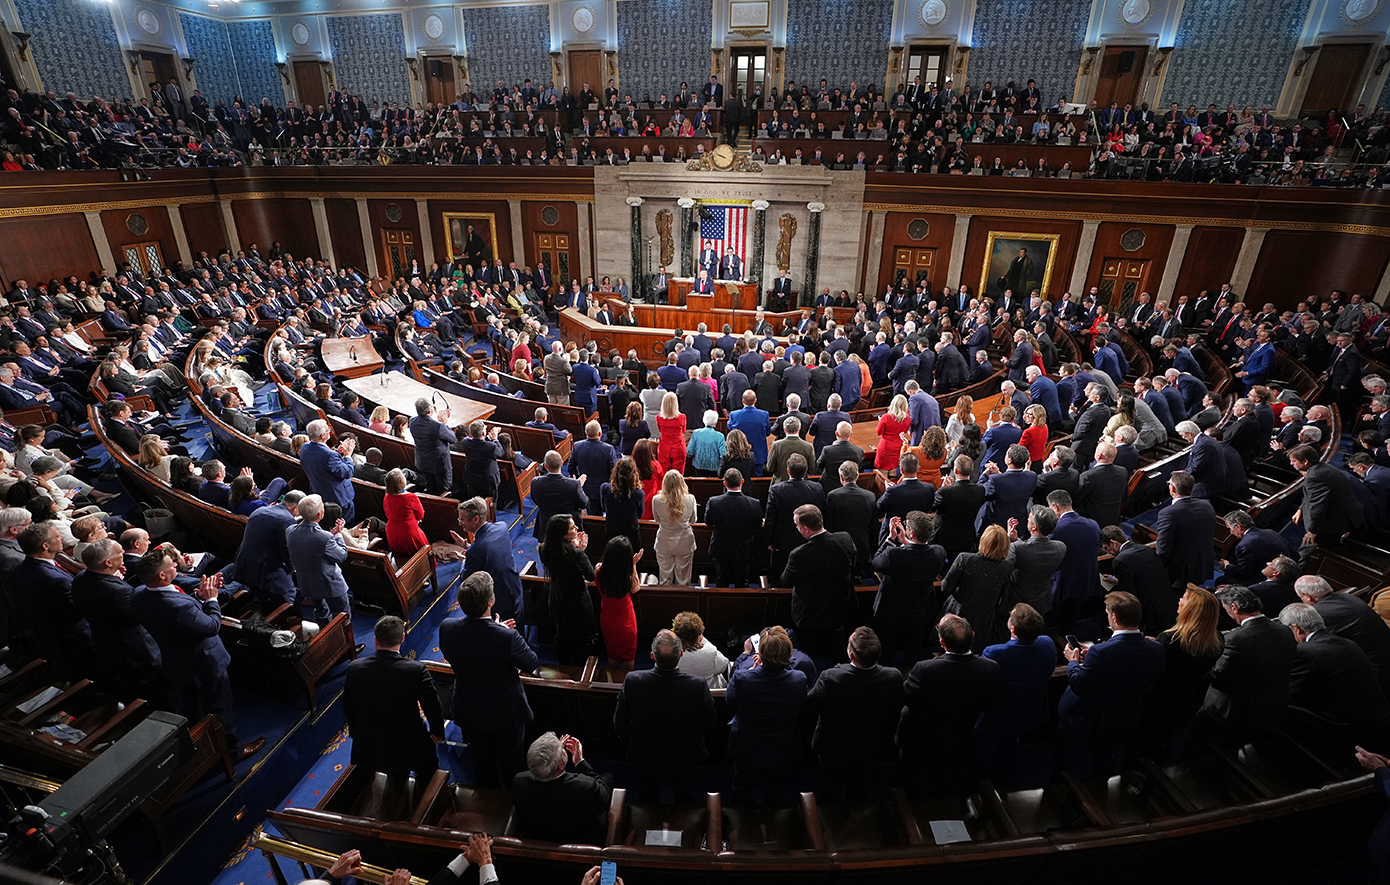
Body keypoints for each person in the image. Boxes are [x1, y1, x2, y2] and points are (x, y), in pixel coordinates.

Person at [131, 548, 263, 762]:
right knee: (220, 708)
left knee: (190, 705)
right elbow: (211, 626)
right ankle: (234, 751)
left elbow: (177, 618)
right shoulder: (178, 607)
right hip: (204, 663)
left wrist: (198, 597)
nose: (176, 564)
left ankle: (199, 742)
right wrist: (211, 600)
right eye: (171, 564)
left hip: (176, 661)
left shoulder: (138, 594)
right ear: (162, 576)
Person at [439, 571, 539, 788]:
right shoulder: (507, 637)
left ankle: (487, 804)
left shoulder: (447, 628)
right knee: (512, 762)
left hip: (470, 708)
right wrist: (500, 630)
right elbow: (531, 663)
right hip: (506, 712)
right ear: (491, 601)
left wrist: (495, 630)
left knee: (482, 762)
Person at [1058, 591, 1166, 775]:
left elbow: (1079, 684)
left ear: (1114, 617)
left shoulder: (1101, 653)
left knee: (1072, 761)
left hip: (1091, 717)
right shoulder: (1156, 648)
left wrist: (1073, 661)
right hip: (1126, 714)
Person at [898, 614, 1002, 791]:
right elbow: (991, 705)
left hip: (923, 739)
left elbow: (906, 698)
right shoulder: (990, 667)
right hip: (963, 737)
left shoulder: (925, 669)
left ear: (942, 643)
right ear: (973, 636)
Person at [613, 629, 715, 803]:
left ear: (652, 656)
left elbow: (619, 723)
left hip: (646, 753)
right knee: (685, 798)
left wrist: (635, 741)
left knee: (648, 795)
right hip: (686, 754)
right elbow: (709, 724)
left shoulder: (633, 681)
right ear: (681, 654)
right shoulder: (697, 685)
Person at [804, 626, 905, 799]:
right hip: (869, 747)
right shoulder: (894, 677)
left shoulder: (830, 677)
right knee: (859, 788)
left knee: (828, 789)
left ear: (851, 655)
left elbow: (809, 709)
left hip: (832, 748)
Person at [1280, 602, 1390, 753]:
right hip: (1377, 717)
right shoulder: (1347, 642)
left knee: (1280, 708)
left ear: (1296, 628)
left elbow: (1291, 694)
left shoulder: (1304, 652)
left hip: (1348, 726)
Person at [1191, 585, 1297, 742]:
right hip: (1267, 710)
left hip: (1231, 711)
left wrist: (1201, 666)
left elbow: (1220, 675)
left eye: (1226, 608)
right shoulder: (1285, 631)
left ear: (1234, 607)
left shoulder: (1236, 639)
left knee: (1195, 736)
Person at [342, 616, 444, 778]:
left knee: (395, 779)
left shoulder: (355, 668)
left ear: (375, 640)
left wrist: (357, 733)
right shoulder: (416, 670)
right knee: (429, 774)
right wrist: (437, 730)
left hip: (371, 743)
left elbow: (348, 705)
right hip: (410, 744)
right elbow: (431, 705)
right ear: (402, 638)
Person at [72, 539, 162, 704]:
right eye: (120, 553)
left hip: (105, 643)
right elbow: (137, 617)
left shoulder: (80, 578)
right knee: (150, 690)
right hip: (135, 652)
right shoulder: (119, 591)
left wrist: (116, 580)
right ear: (108, 562)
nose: (123, 554)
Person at [725, 626, 808, 802]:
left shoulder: (742, 677)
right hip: (781, 744)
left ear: (760, 654)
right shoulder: (799, 679)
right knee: (776, 789)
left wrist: (752, 670)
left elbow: (730, 700)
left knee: (741, 786)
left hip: (747, 744)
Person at [6, 522, 93, 678]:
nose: (61, 538)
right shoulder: (54, 579)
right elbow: (79, 609)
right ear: (45, 546)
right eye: (57, 536)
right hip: (76, 640)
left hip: (51, 638)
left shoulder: (21, 569)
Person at [980, 604, 1056, 760]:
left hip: (998, 717)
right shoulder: (1047, 643)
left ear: (1012, 628)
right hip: (1032, 711)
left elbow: (984, 683)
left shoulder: (994, 653)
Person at [870, 510, 946, 667]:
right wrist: (907, 542)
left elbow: (876, 563)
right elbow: (918, 555)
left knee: (886, 652)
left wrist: (891, 538)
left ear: (911, 533)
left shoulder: (894, 554)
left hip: (890, 611)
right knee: (913, 652)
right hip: (920, 611)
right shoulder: (939, 552)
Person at [781, 503, 857, 659]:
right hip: (839, 608)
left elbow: (786, 581)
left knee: (810, 652)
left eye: (797, 525)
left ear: (806, 529)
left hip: (810, 616)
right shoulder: (845, 539)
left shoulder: (799, 555)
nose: (797, 528)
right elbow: (853, 565)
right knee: (838, 651)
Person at [1295, 575, 1390, 698]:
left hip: (1373, 674)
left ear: (1308, 596)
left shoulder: (1320, 613)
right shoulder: (1348, 598)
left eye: (1300, 597)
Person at [511, 731, 614, 844]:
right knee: (608, 778)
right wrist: (580, 762)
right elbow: (604, 795)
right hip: (580, 841)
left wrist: (553, 752)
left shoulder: (519, 782)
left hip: (537, 837)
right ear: (561, 764)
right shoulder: (585, 787)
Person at [941, 524, 1014, 653]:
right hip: (984, 618)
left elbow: (945, 587)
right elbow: (1004, 601)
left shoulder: (965, 559)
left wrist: (959, 595)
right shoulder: (1007, 567)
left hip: (958, 611)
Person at [454, 497, 525, 624]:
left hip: (497, 599)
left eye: (462, 519)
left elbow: (466, 579)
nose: (460, 523)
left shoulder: (476, 551)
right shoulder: (502, 527)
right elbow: (490, 551)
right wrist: (467, 547)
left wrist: (464, 561)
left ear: (476, 519)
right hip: (514, 588)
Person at [540, 514, 597, 664]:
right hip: (578, 603)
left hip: (557, 599)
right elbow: (591, 575)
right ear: (564, 535)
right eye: (573, 528)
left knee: (564, 637)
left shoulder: (544, 549)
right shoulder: (576, 554)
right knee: (580, 642)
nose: (577, 528)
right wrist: (581, 550)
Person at [1101, 525, 1179, 634]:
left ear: (1113, 543)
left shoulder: (1120, 560)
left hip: (1151, 615)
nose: (1108, 552)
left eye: (1106, 548)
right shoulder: (1146, 549)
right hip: (1169, 605)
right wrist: (1117, 581)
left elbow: (1129, 595)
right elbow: (1146, 576)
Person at [286, 494, 351, 625]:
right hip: (330, 584)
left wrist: (331, 536)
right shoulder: (324, 538)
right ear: (319, 515)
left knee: (321, 612)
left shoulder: (290, 531)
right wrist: (338, 535)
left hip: (308, 582)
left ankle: (324, 638)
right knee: (342, 615)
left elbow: (312, 545)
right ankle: (346, 643)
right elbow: (341, 555)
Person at [1289, 443, 1366, 551]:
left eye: (1294, 461)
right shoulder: (1320, 468)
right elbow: (1312, 495)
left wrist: (1312, 531)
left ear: (1305, 462)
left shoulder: (1315, 476)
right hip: (1342, 512)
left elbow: (1318, 505)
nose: (1291, 463)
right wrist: (1301, 508)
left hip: (1336, 522)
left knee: (1307, 548)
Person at [232, 490, 302, 606]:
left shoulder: (259, 511)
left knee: (262, 600)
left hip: (244, 565)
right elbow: (287, 552)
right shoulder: (287, 520)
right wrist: (294, 571)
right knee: (290, 600)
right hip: (267, 571)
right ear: (295, 507)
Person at [1155, 471, 1216, 590]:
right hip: (1202, 562)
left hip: (1180, 571)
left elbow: (1164, 546)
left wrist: (1157, 569)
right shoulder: (1206, 505)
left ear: (1172, 489)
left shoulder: (1168, 513)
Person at [705, 468, 763, 587]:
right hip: (743, 550)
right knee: (742, 582)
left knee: (721, 581)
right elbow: (757, 525)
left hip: (721, 549)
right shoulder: (754, 503)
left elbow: (708, 522)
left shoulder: (714, 502)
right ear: (742, 481)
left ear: (725, 483)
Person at [1007, 505, 1067, 616]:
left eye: (1028, 520)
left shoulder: (1017, 548)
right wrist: (1017, 541)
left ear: (1034, 527)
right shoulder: (1061, 547)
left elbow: (1005, 567)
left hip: (1018, 604)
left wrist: (1010, 540)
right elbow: (1033, 552)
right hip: (1041, 603)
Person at [299, 420, 356, 523]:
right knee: (344, 525)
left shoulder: (304, 448)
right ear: (322, 436)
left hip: (319, 491)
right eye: (327, 430)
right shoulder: (329, 455)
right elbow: (347, 472)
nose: (329, 431)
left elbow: (323, 462)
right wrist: (348, 455)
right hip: (339, 497)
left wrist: (337, 452)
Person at [933, 454, 987, 557]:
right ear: (972, 469)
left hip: (945, 539)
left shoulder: (945, 491)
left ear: (956, 471)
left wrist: (942, 488)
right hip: (967, 538)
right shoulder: (980, 490)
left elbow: (932, 506)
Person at [529, 451, 588, 542]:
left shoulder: (535, 482)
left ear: (545, 466)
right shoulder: (574, 484)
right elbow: (584, 503)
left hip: (546, 524)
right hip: (568, 527)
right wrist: (579, 486)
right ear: (562, 463)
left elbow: (535, 499)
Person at [652, 469, 697, 584]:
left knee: (665, 577)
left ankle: (666, 600)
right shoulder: (690, 499)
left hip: (664, 541)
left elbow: (657, 520)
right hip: (684, 541)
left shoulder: (656, 499)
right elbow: (693, 520)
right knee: (684, 579)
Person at [672, 611, 732, 688]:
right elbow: (724, 665)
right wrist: (702, 639)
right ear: (699, 634)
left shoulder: (672, 653)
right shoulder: (710, 651)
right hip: (709, 695)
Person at [600, 457, 644, 552]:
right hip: (631, 532)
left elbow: (604, 508)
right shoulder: (638, 494)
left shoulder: (605, 489)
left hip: (612, 530)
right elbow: (639, 515)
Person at [382, 468, 428, 556]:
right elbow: (421, 514)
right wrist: (415, 520)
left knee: (402, 558)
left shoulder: (387, 497)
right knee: (423, 558)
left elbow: (388, 514)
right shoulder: (411, 497)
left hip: (392, 532)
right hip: (409, 532)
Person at [875, 395, 911, 474]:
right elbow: (904, 430)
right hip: (898, 447)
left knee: (882, 473)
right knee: (893, 470)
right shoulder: (907, 418)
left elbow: (879, 432)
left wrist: (881, 421)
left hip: (886, 447)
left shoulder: (886, 417)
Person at [685, 410, 726, 477]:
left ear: (703, 420)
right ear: (716, 423)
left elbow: (689, 452)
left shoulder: (696, 433)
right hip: (715, 468)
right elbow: (723, 455)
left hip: (699, 466)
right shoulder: (720, 436)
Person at [655, 392, 687, 475]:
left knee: (664, 474)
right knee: (678, 475)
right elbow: (683, 430)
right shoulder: (682, 417)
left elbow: (660, 430)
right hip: (678, 447)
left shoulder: (659, 417)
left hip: (664, 448)